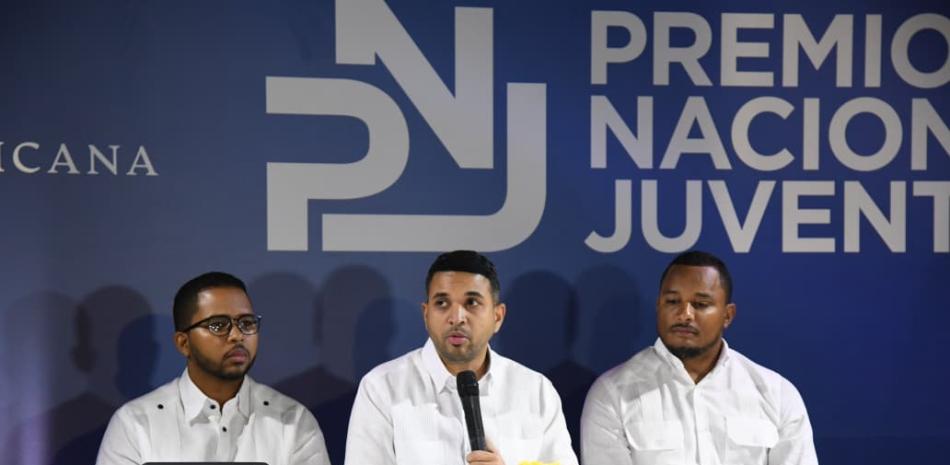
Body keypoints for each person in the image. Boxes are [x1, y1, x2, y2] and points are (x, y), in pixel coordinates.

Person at [581, 251, 818, 465]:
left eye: (701, 304)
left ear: (728, 315)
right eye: (673, 301)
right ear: (658, 306)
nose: (685, 314)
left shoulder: (777, 394)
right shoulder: (612, 394)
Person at [344, 250, 578, 465]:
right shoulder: (382, 388)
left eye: (472, 302)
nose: (456, 317)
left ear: (497, 317)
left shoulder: (536, 391)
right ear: (426, 314)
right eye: (442, 303)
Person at [96, 271, 330, 465]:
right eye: (218, 325)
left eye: (247, 323)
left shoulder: (293, 422)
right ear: (183, 343)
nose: (237, 335)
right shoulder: (136, 424)